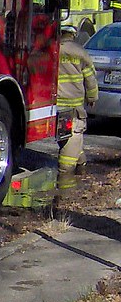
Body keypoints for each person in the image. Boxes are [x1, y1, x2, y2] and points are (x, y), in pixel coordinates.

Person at [56, 24, 98, 192]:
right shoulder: (81, 53)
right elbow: (90, 79)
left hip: (54, 105)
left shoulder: (53, 50)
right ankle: (65, 190)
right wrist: (92, 97)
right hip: (73, 106)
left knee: (69, 139)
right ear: (73, 35)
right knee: (71, 144)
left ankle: (81, 165)